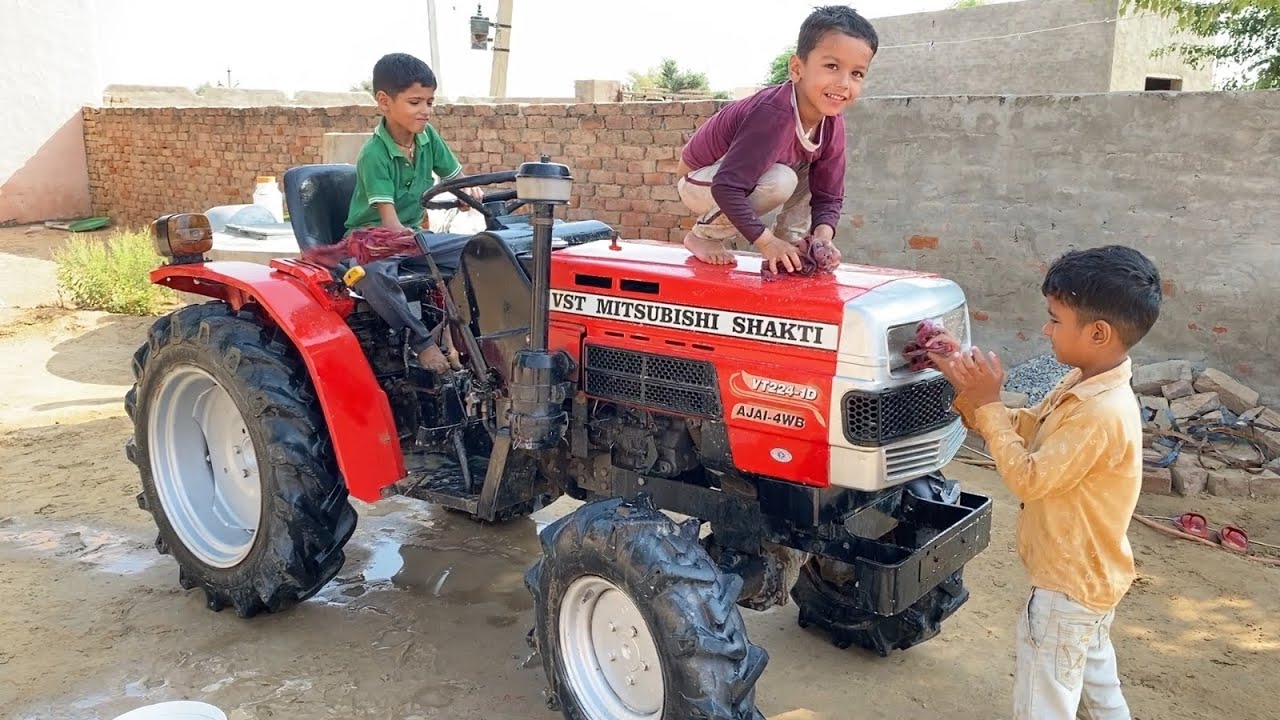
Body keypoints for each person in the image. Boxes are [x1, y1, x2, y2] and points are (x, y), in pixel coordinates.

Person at [928, 245, 1163, 720]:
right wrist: (971, 392)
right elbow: (1027, 429)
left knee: (1045, 700)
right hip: (1093, 580)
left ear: (1098, 333)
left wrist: (990, 406)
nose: (1045, 329)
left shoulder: (1100, 413)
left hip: (1066, 589)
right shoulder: (1083, 381)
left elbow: (1029, 478)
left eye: (1055, 320)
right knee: (1097, 683)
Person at [674, 5, 877, 273]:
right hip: (699, 180)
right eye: (831, 66)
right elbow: (726, 187)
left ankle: (791, 244)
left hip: (734, 181)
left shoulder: (831, 123)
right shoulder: (773, 114)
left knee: (808, 171)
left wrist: (823, 240)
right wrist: (766, 243)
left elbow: (829, 195)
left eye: (857, 73)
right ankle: (702, 236)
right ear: (797, 68)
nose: (844, 83)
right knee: (781, 179)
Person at [341, 52, 482, 373]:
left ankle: (460, 332)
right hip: (373, 239)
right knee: (372, 275)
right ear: (384, 101)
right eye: (415, 102)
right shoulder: (374, 154)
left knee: (482, 250)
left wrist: (467, 192)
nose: (426, 111)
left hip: (410, 236)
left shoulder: (427, 138)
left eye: (430, 102)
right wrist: (413, 238)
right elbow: (389, 221)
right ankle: (422, 343)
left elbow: (455, 178)